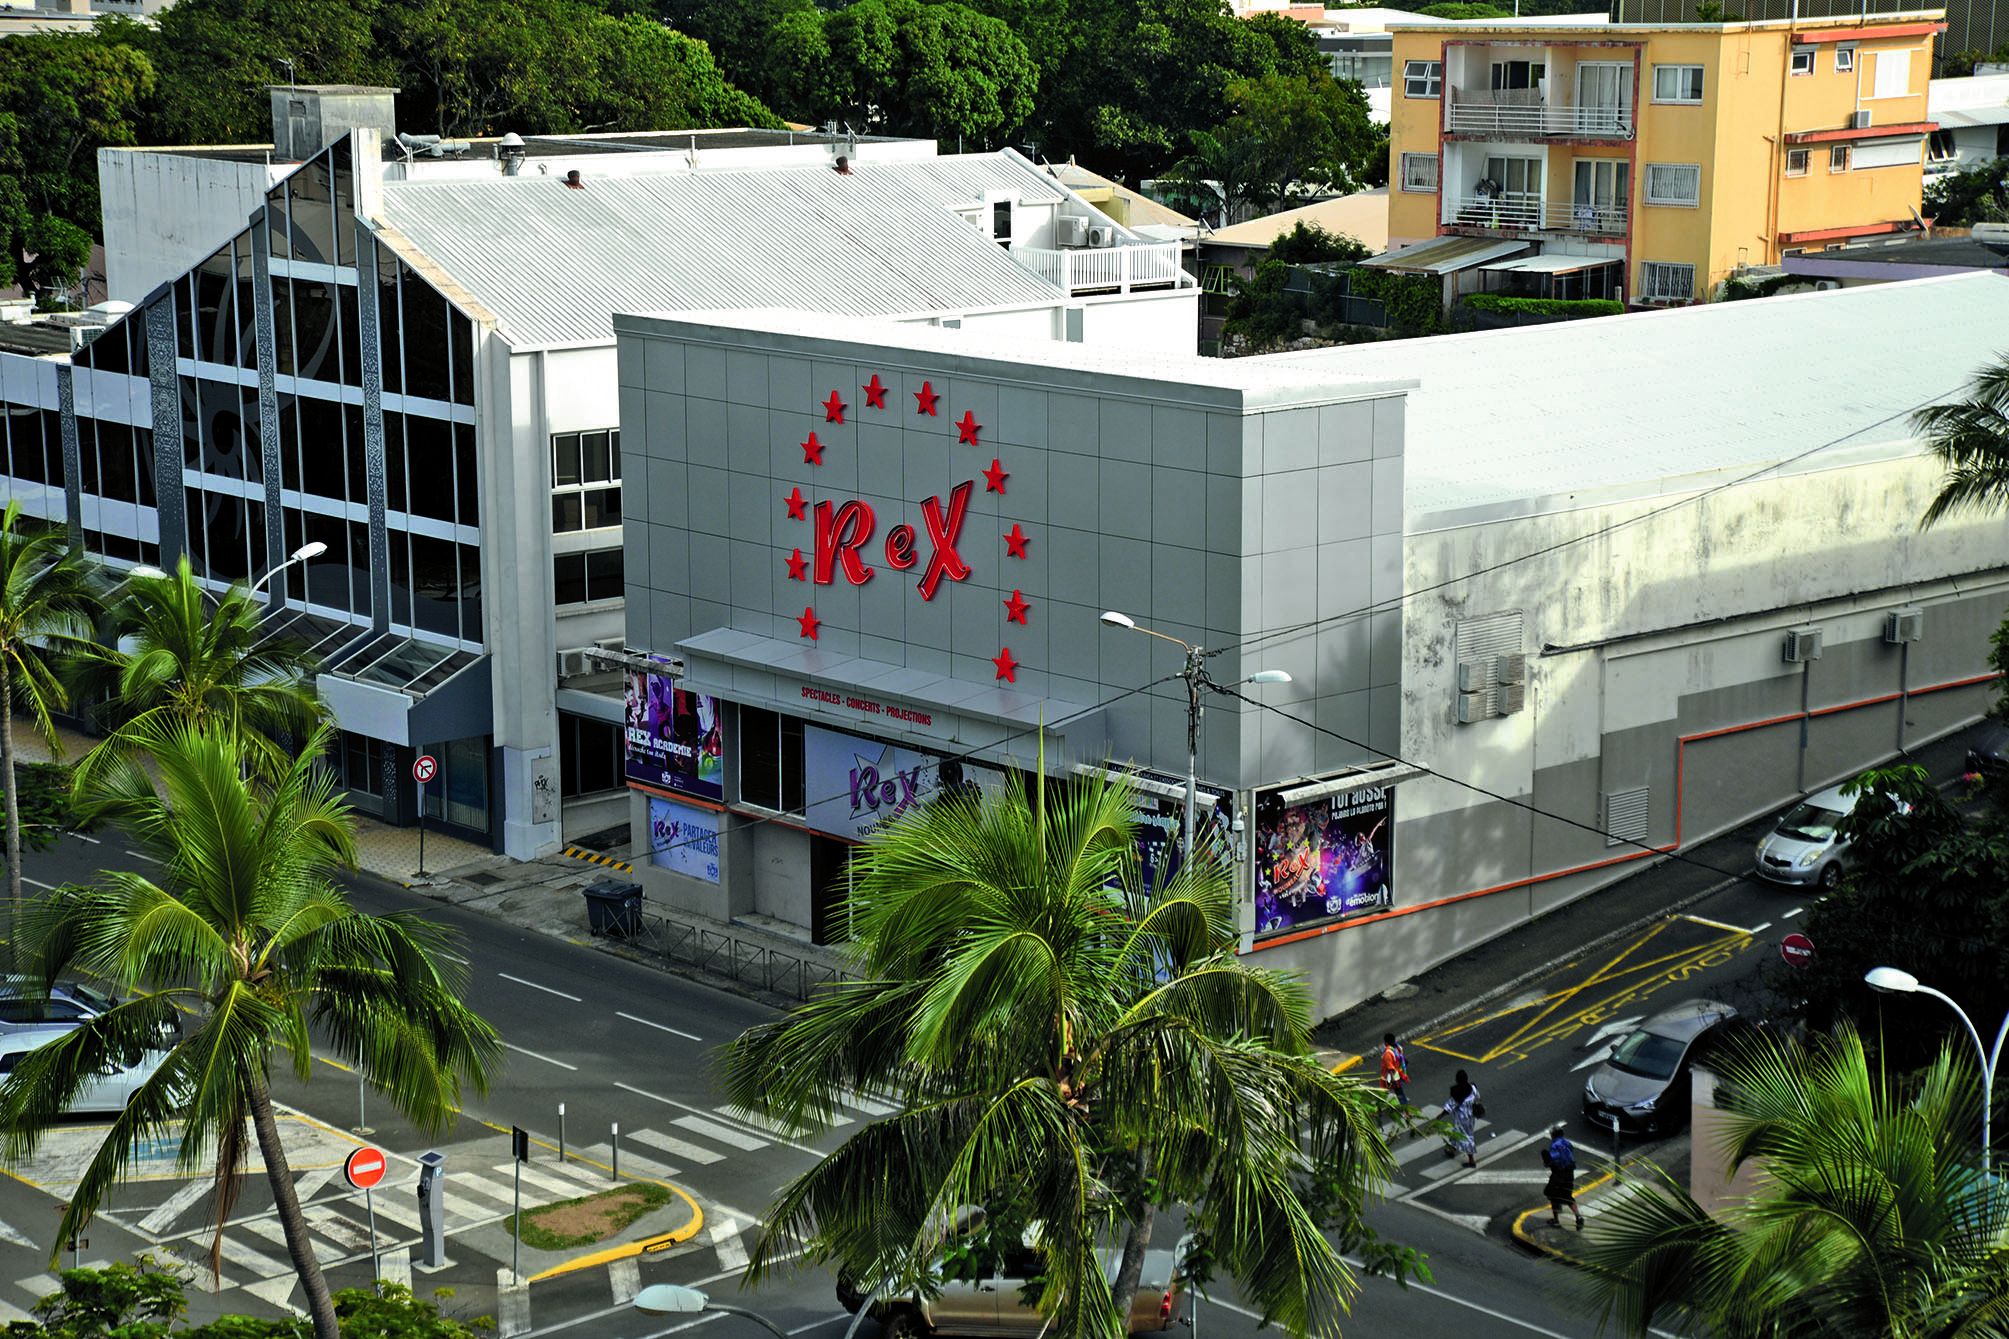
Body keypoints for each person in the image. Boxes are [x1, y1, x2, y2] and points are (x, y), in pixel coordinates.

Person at [1542, 1121, 1585, 1229]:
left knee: (1551, 1194)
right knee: (1567, 1195)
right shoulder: (1567, 1143)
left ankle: (1556, 1220)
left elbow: (1554, 1159)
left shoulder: (1555, 1146)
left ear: (1552, 1135)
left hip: (1559, 1174)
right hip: (1570, 1173)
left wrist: (1547, 1162)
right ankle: (1578, 1217)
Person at [1446, 1070, 1479, 1167]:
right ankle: (1452, 1150)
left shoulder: (1456, 1091)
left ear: (1457, 1080)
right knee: (1456, 1132)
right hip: (1470, 1117)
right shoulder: (1472, 1088)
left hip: (1462, 1119)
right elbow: (1477, 1097)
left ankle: (1471, 1161)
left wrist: (1439, 1116)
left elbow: (1450, 1105)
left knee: (1466, 1137)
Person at [1379, 1032, 1409, 1106]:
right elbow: (1404, 1060)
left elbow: (1390, 1069)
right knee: (1399, 1092)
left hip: (1388, 1077)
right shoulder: (1398, 1048)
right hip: (1397, 1075)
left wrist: (1393, 1080)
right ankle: (1406, 1109)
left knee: (1382, 1092)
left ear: (1386, 1042)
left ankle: (1378, 1109)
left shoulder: (1387, 1053)